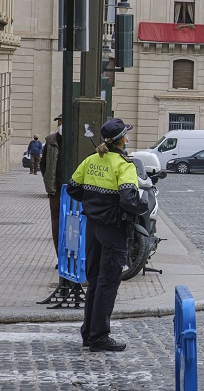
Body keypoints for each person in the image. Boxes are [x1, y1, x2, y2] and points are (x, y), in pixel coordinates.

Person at [67, 118, 148, 352]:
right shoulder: (124, 165)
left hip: (92, 226)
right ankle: (99, 337)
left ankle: (88, 333)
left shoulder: (91, 160)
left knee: (94, 281)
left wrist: (93, 204)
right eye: (127, 135)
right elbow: (129, 199)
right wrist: (143, 207)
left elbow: (73, 187)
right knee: (108, 283)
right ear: (123, 139)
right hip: (113, 229)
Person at [40, 114, 63, 260]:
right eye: (59, 123)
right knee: (57, 224)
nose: (60, 125)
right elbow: (43, 164)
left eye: (62, 122)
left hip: (71, 189)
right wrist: (48, 179)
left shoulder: (75, 140)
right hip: (56, 189)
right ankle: (60, 257)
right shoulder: (51, 140)